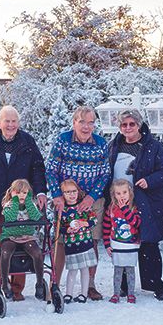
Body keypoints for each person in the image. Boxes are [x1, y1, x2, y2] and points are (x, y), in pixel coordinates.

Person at [0, 105, 47, 301]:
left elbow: (38, 169)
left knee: (22, 243)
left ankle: (17, 289)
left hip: (22, 203)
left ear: (18, 124)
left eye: (14, 121)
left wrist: (39, 192)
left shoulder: (28, 142)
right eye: (7, 121)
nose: (11, 125)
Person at [106, 110, 163, 300]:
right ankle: (125, 286)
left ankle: (154, 284)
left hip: (147, 201)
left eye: (132, 124)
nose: (128, 128)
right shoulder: (113, 146)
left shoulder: (153, 146)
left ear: (139, 125)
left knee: (148, 242)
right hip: (120, 201)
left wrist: (149, 181)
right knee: (123, 240)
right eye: (124, 125)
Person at [46, 106, 110, 300]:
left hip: (93, 200)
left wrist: (91, 197)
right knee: (62, 242)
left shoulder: (100, 144)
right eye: (82, 122)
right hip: (66, 201)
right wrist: (57, 195)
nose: (86, 126)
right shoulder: (63, 141)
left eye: (90, 122)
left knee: (91, 241)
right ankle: (54, 285)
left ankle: (89, 285)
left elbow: (105, 173)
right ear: (74, 123)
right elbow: (51, 170)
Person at [0, 179, 45, 300]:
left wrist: (29, 202)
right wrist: (14, 201)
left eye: (24, 193)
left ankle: (39, 283)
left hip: (26, 236)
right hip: (10, 236)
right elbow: (10, 218)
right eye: (18, 193)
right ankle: (5, 283)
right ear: (12, 193)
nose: (21, 196)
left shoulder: (30, 204)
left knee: (37, 253)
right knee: (5, 252)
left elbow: (36, 217)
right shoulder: (9, 205)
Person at [57, 179, 97, 304]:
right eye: (67, 192)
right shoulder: (63, 211)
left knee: (85, 270)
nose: (71, 194)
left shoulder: (83, 207)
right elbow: (58, 227)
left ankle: (83, 294)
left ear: (78, 192)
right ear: (62, 194)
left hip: (85, 243)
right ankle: (68, 294)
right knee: (72, 271)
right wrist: (67, 230)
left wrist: (84, 223)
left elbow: (94, 220)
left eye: (74, 191)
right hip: (72, 246)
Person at [103, 179, 141, 304]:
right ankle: (116, 293)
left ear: (130, 192)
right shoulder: (111, 208)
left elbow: (135, 223)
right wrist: (107, 244)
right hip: (117, 244)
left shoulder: (134, 207)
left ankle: (131, 294)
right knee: (118, 271)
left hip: (131, 244)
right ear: (114, 194)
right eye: (118, 193)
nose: (121, 196)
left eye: (124, 192)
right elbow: (106, 227)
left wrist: (125, 208)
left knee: (130, 270)